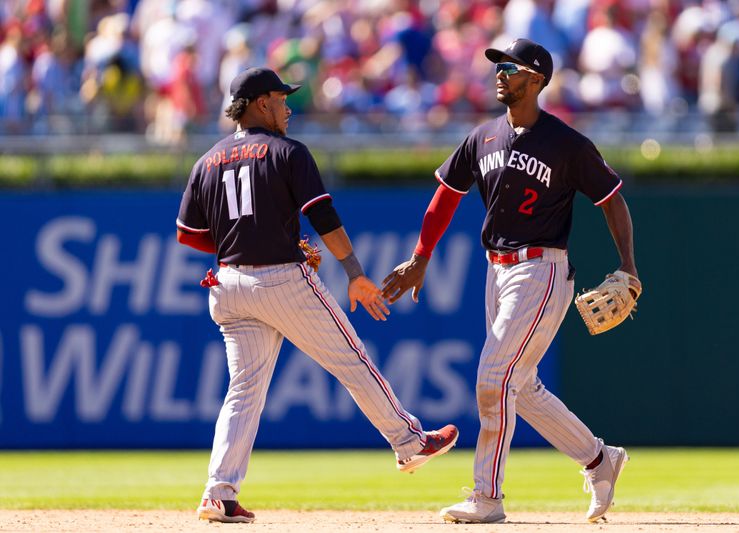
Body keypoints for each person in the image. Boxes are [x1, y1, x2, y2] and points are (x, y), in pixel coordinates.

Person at [176, 67, 459, 524]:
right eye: (281, 98)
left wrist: (242, 240)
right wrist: (354, 272)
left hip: (228, 285)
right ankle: (410, 442)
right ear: (259, 103)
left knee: (243, 391)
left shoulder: (207, 160)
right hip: (281, 280)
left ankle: (219, 492)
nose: (288, 106)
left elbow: (189, 235)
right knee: (352, 359)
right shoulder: (287, 152)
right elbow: (323, 216)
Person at [382, 39, 639, 524]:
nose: (499, 73)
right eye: (497, 66)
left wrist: (628, 263)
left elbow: (611, 198)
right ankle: (600, 460)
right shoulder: (483, 137)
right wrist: (420, 257)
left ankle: (487, 497)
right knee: (519, 383)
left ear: (537, 79)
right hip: (495, 269)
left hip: (540, 268)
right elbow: (445, 195)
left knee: (493, 378)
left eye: (510, 67)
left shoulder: (566, 143)